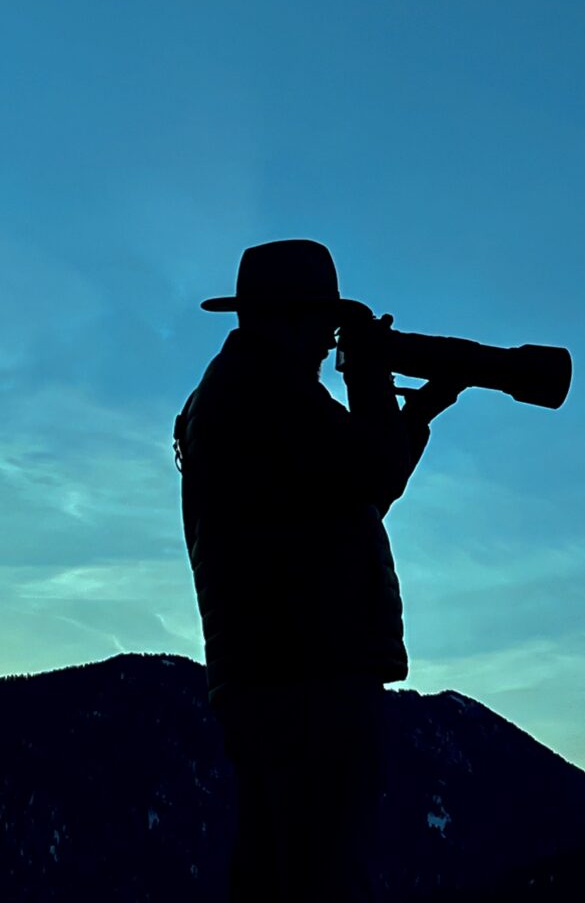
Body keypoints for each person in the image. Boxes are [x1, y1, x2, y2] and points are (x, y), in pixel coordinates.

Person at [173, 239, 462, 902]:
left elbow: (354, 489)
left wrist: (409, 413)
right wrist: (377, 383)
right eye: (323, 323)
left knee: (276, 873)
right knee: (320, 875)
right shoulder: (269, 393)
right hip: (308, 675)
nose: (327, 340)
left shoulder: (239, 394)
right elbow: (371, 471)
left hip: (267, 673)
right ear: (291, 318)